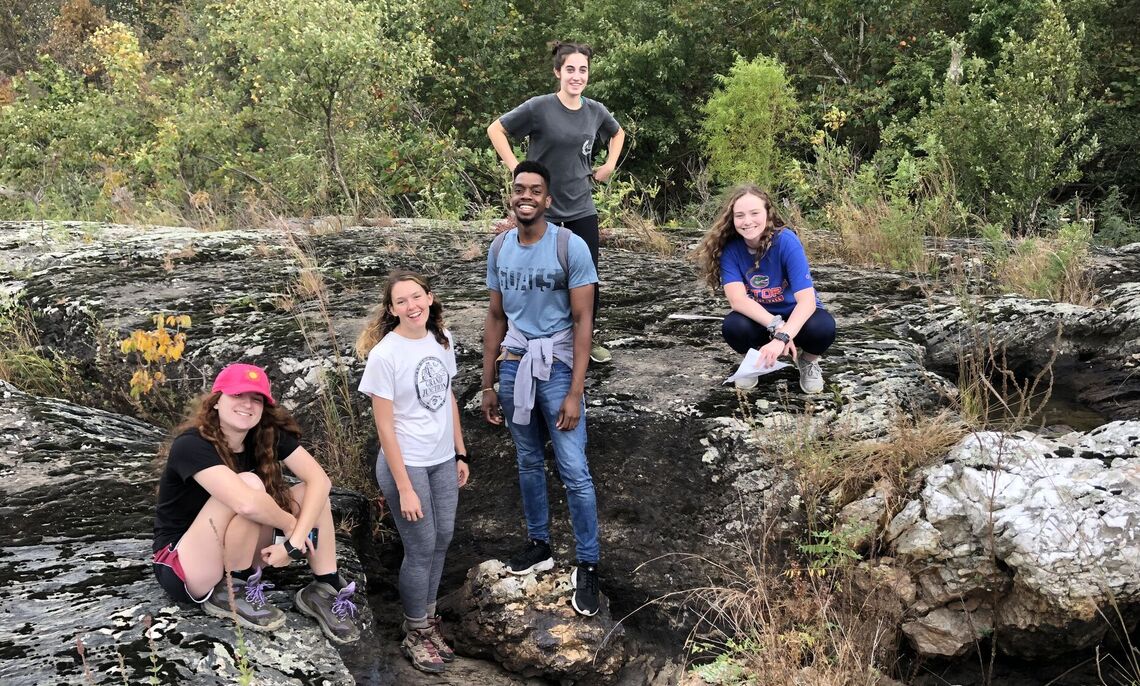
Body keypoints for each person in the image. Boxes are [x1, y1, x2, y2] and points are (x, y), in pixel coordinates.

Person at [151, 363, 361, 644]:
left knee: (312, 494)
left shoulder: (265, 434)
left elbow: (320, 481)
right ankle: (231, 590)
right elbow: (246, 503)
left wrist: (293, 541)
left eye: (256, 399)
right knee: (249, 485)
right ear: (216, 401)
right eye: (238, 395)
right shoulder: (190, 445)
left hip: (236, 546)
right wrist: (292, 532)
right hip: (186, 563)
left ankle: (325, 587)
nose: (247, 405)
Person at [481, 160, 602, 617]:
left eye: (535, 189)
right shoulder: (499, 248)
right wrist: (488, 382)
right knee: (528, 458)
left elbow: (582, 319)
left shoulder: (569, 247)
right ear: (511, 196)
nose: (525, 196)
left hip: (557, 364)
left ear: (548, 200)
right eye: (519, 189)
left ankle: (588, 564)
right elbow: (495, 317)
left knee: (574, 468)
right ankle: (539, 543)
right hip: (514, 362)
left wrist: (574, 392)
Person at [356, 271, 470, 674]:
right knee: (420, 548)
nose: (411, 306)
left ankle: (429, 621)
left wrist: (460, 452)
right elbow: (384, 427)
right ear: (391, 309)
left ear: (429, 298)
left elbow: (448, 397)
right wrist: (403, 487)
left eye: (416, 297)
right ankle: (414, 630)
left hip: (441, 460)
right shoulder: (385, 355)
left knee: (442, 539)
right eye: (401, 301)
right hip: (406, 465)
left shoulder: (442, 339)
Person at [487, 40, 625, 365]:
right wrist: (517, 169)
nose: (577, 76)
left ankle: (585, 341)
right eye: (570, 70)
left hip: (581, 209)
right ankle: (522, 338)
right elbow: (496, 129)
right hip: (540, 208)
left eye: (583, 70)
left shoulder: (595, 111)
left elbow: (617, 134)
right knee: (533, 276)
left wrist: (609, 165)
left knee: (586, 280)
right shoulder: (540, 107)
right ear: (557, 72)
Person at [694, 185, 837, 393]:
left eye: (754, 213)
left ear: (767, 214)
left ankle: (808, 361)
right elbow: (738, 300)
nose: (747, 221)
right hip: (761, 318)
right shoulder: (731, 249)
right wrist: (776, 327)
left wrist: (783, 337)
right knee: (733, 326)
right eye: (740, 215)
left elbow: (807, 301)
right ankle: (755, 360)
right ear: (732, 219)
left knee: (823, 327)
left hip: (795, 314)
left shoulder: (787, 242)